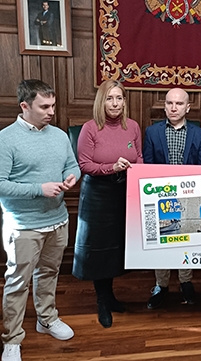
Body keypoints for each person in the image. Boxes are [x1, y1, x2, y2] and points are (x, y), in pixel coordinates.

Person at [0, 79, 80, 361]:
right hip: (23, 225)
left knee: (48, 274)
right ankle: (11, 339)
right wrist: (39, 189)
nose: (51, 112)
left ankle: (46, 320)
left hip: (57, 221)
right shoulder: (6, 139)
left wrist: (73, 177)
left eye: (53, 105)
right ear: (25, 106)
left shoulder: (58, 135)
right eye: (44, 106)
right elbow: (0, 184)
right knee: (17, 282)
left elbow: (72, 165)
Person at [72, 80, 143, 329]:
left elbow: (140, 158)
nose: (115, 104)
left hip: (124, 191)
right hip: (98, 193)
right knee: (100, 248)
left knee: (116, 247)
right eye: (110, 98)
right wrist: (111, 167)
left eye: (119, 98)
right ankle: (102, 300)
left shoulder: (133, 126)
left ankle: (111, 296)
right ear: (101, 101)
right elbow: (84, 164)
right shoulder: (90, 129)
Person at [142, 87, 201, 309]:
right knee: (163, 240)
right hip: (161, 195)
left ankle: (185, 281)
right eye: (169, 103)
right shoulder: (152, 132)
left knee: (186, 240)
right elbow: (148, 167)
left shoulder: (200, 135)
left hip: (189, 196)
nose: (173, 107)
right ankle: (161, 285)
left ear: (187, 107)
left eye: (179, 104)